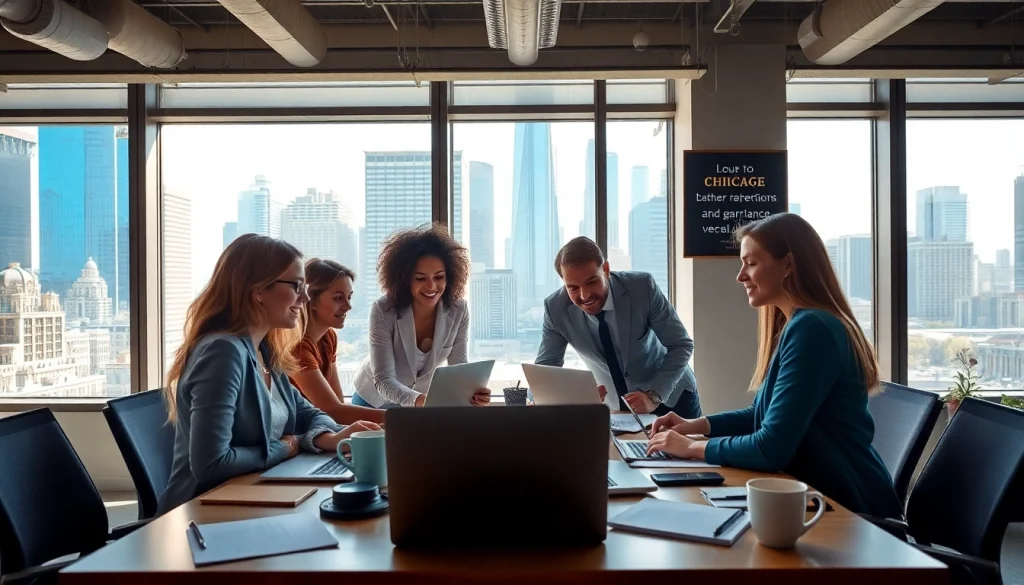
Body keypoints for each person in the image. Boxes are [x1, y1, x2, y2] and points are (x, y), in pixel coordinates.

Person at [646, 213, 903, 518]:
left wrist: (691, 448)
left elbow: (771, 448)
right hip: (811, 493)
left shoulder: (814, 329)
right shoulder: (800, 324)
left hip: (847, 507)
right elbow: (760, 415)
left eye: (751, 263)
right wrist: (696, 427)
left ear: (789, 264)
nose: (741, 276)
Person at [159, 234, 380, 514]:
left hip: (252, 495)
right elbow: (212, 464)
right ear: (258, 290)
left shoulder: (265, 350)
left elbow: (309, 414)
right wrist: (288, 447)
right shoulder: (222, 352)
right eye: (296, 286)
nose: (305, 297)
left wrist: (329, 437)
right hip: (203, 512)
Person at [535, 236, 701, 418]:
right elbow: (544, 372)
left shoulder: (642, 287)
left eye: (591, 282)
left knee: (687, 446)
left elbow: (681, 345)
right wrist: (577, 396)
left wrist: (653, 395)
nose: (585, 295)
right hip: (617, 408)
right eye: (573, 288)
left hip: (671, 396)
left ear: (606, 269)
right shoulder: (555, 308)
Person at [352, 223, 490, 408]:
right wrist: (421, 401)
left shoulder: (459, 309)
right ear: (404, 278)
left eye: (439, 277)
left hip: (421, 402)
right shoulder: (383, 310)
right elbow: (384, 380)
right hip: (373, 400)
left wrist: (472, 393)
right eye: (420, 278)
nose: (432, 286)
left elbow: (459, 369)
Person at [289, 258, 385, 425]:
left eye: (349, 297)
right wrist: (403, 418)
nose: (348, 306)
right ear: (311, 300)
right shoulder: (297, 347)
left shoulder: (328, 337)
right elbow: (333, 410)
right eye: (338, 298)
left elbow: (338, 403)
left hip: (321, 426)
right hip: (300, 432)